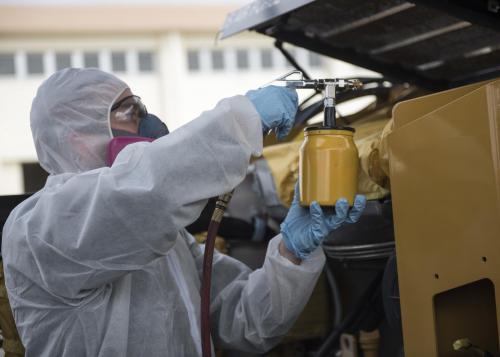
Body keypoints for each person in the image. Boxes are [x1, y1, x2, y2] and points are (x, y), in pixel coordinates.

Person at [2, 68, 366, 356]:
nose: (148, 123)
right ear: (77, 135)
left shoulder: (168, 241)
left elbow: (247, 322)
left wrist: (291, 252)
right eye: (130, 110)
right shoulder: (40, 228)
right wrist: (243, 120)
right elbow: (145, 189)